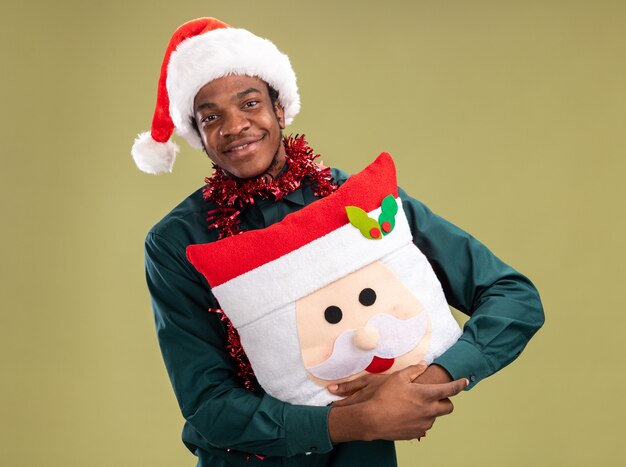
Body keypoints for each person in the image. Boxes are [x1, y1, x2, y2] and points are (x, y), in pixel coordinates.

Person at [132, 17, 544, 467]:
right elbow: (209, 407)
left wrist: (427, 381)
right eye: (211, 117)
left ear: (280, 110)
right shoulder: (178, 243)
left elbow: (513, 297)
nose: (234, 126)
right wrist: (357, 421)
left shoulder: (360, 203)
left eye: (250, 103)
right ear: (198, 134)